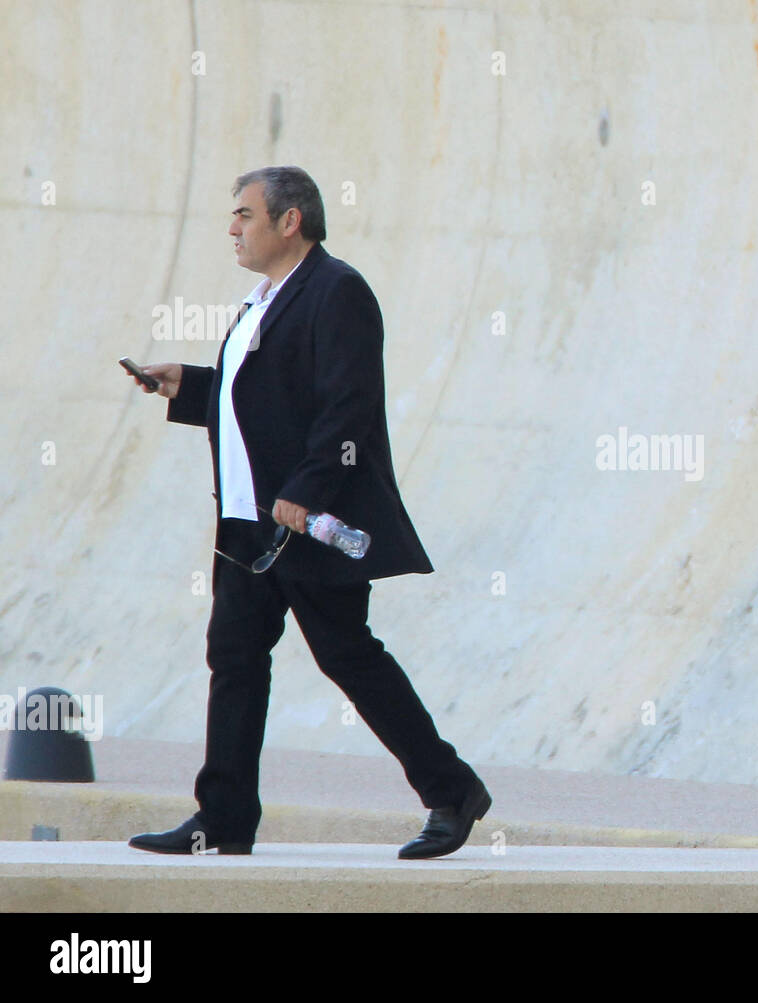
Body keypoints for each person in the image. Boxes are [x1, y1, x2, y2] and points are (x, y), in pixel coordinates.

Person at [127, 165, 490, 859]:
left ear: (290, 221)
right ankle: (223, 819)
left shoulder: (337, 292)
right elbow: (260, 402)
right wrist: (189, 387)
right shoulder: (265, 298)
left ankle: (452, 790)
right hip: (246, 521)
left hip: (300, 522)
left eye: (245, 215)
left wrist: (309, 490)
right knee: (234, 658)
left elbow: (347, 406)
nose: (232, 229)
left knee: (347, 655)